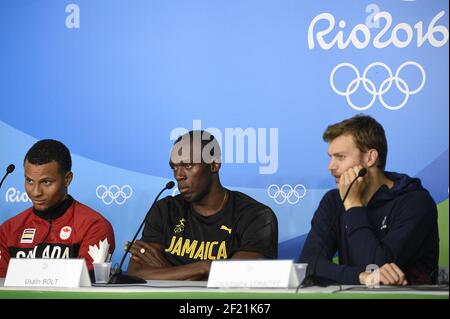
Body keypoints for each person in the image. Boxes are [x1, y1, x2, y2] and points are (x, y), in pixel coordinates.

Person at [299, 115, 439, 286]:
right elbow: (307, 265)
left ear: (370, 158)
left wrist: (352, 205)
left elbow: (376, 266)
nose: (331, 166)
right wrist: (360, 277)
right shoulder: (334, 201)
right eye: (330, 157)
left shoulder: (416, 203)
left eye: (340, 157)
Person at [126, 130, 278, 280]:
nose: (179, 175)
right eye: (174, 167)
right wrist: (203, 268)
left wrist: (167, 270)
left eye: (188, 165)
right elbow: (136, 272)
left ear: (214, 165)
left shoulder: (255, 216)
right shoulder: (164, 210)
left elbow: (236, 277)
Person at [0, 139, 115, 278]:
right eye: (29, 180)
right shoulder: (8, 229)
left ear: (67, 179)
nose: (35, 192)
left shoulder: (94, 226)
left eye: (46, 182)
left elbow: (89, 286)